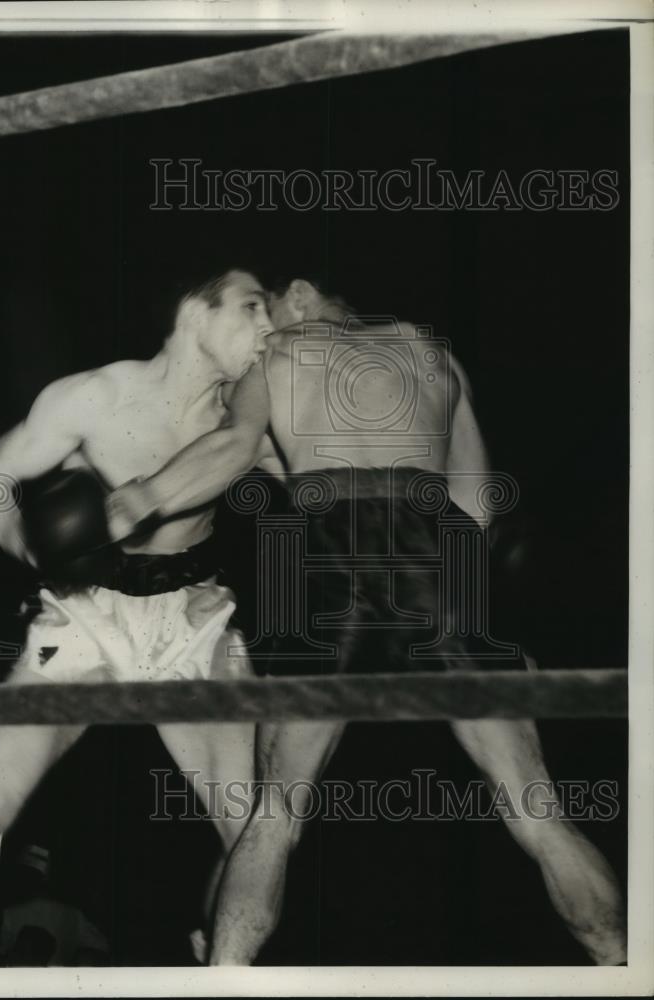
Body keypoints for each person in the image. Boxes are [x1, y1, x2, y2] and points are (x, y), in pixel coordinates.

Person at [106, 276, 627, 966]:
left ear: (300, 294)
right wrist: (475, 625)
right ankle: (621, 963)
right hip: (437, 553)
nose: (263, 323)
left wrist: (138, 499)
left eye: (268, 305)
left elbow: (232, 449)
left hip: (332, 546)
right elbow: (475, 505)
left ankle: (225, 974)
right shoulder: (435, 356)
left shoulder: (279, 359)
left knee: (275, 813)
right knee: (536, 807)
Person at [0, 268, 274, 962]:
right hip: (86, 616)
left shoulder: (250, 422)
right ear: (197, 310)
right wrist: (35, 548)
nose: (268, 328)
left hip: (192, 622)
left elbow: (335, 484)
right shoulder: (94, 397)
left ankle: (218, 962)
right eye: (253, 307)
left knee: (253, 832)